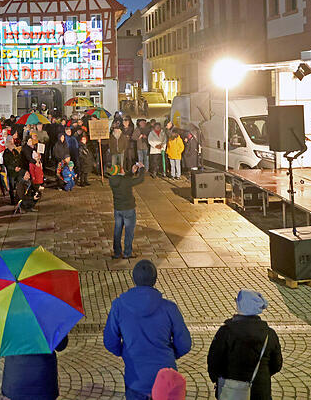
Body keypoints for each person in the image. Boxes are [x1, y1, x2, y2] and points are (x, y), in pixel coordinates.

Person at [103, 260, 192, 399]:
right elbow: (185, 344)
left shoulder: (118, 306)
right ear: (155, 280)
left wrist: (126, 352)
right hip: (166, 380)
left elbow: (110, 341)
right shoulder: (169, 308)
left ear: (134, 279)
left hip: (135, 379)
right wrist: (170, 354)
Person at [207, 289, 283, 400]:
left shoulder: (226, 332)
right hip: (260, 391)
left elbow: (214, 362)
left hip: (232, 391)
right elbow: (276, 365)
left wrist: (217, 380)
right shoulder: (269, 334)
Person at [1, 335, 69, 400]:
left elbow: (2, 344)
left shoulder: (9, 326)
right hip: (43, 380)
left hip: (15, 379)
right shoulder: (50, 326)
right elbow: (61, 346)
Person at [108, 162, 145, 259]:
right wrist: (141, 169)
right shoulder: (125, 181)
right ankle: (127, 253)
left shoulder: (112, 180)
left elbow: (123, 179)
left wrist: (131, 172)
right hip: (128, 209)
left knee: (117, 231)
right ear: (120, 172)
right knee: (129, 232)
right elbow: (140, 179)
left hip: (118, 209)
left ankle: (117, 252)